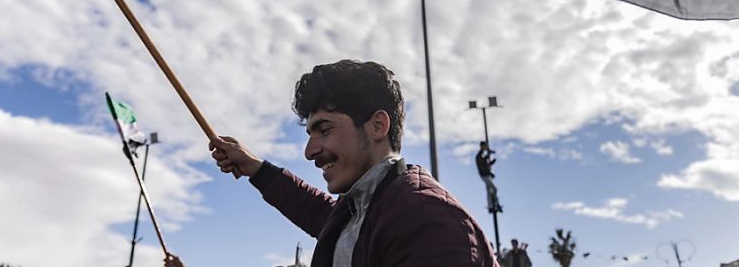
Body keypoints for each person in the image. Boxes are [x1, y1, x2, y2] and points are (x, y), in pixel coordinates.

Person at [164, 60, 498, 267]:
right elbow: (316, 211)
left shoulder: (424, 218)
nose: (310, 151)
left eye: (324, 130)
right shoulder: (365, 211)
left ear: (377, 126)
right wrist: (255, 167)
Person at [475, 141, 502, 213]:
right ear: (482, 146)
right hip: (484, 176)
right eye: (485, 146)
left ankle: (491, 207)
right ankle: (496, 204)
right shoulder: (479, 155)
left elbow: (486, 164)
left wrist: (492, 162)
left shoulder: (483, 155)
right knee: (493, 189)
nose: (486, 148)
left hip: (487, 175)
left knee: (489, 191)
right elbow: (483, 162)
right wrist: (488, 154)